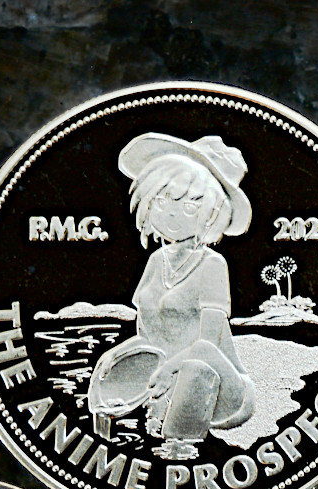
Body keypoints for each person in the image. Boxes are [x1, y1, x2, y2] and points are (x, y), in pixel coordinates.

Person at [88, 133, 256, 459]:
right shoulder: (155, 262)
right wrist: (115, 354)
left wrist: (168, 371)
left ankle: (180, 446)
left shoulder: (212, 264)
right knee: (109, 373)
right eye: (163, 202)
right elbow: (147, 338)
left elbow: (208, 345)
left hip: (223, 389)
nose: (173, 215)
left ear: (213, 213)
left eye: (190, 205)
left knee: (195, 364)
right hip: (171, 382)